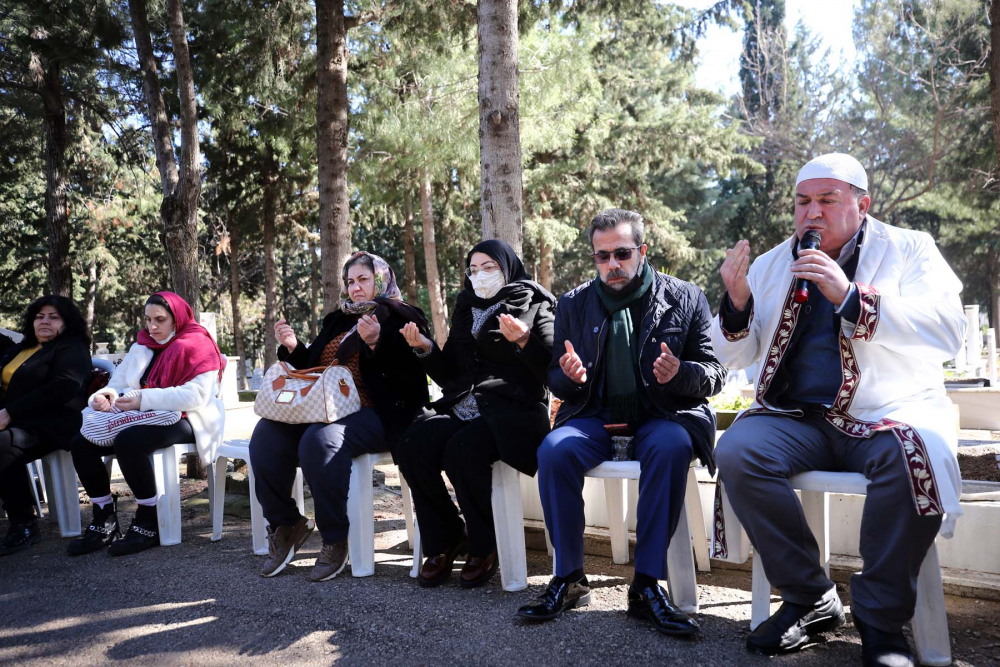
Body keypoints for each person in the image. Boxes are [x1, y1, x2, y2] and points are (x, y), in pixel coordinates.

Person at [711, 153, 966, 667]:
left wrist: (850, 296)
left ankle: (881, 621)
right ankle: (810, 598)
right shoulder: (772, 263)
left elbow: (949, 333)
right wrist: (736, 304)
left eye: (827, 201)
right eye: (803, 202)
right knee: (737, 449)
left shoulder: (909, 249)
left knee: (914, 454)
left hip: (884, 413)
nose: (812, 214)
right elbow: (735, 356)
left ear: (862, 204)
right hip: (798, 419)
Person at [516, 209, 724, 636]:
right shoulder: (573, 303)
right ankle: (570, 578)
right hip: (594, 413)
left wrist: (679, 373)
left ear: (642, 252)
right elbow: (557, 374)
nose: (612, 264)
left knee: (670, 448)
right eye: (602, 256)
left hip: (664, 412)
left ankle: (646, 586)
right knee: (554, 450)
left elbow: (714, 373)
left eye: (622, 253)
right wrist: (569, 376)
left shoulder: (685, 296)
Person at [249, 252, 430, 581]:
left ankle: (334, 538)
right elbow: (314, 367)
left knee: (319, 440)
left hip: (380, 410)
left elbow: (411, 377)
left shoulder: (403, 316)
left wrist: (375, 344)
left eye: (363, 279)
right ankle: (286, 523)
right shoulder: (338, 319)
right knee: (266, 435)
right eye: (350, 282)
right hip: (325, 405)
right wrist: (293, 347)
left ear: (380, 279)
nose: (356, 288)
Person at [396, 239, 555, 589]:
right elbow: (452, 373)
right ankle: (447, 537)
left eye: (489, 267)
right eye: (474, 269)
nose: (480, 275)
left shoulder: (533, 302)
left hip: (513, 411)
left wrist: (526, 342)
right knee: (412, 443)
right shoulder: (467, 306)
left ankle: (484, 546)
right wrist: (424, 349)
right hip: (465, 407)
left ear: (508, 266)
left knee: (461, 452)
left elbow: (550, 371)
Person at [67, 291, 225, 557]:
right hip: (143, 413)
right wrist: (105, 397)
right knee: (81, 442)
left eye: (160, 320)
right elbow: (117, 383)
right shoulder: (142, 345)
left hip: (190, 417)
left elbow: (197, 396)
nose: (152, 327)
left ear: (177, 319)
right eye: (148, 319)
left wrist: (143, 398)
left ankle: (148, 520)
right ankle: (104, 518)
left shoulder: (199, 345)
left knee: (129, 440)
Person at [0, 296, 92, 555]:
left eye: (54, 317)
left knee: (3, 445)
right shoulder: (19, 349)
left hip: (55, 423)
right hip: (18, 421)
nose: (45, 321)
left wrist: (10, 413)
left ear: (66, 322)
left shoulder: (71, 347)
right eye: (40, 316)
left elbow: (64, 386)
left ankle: (24, 525)